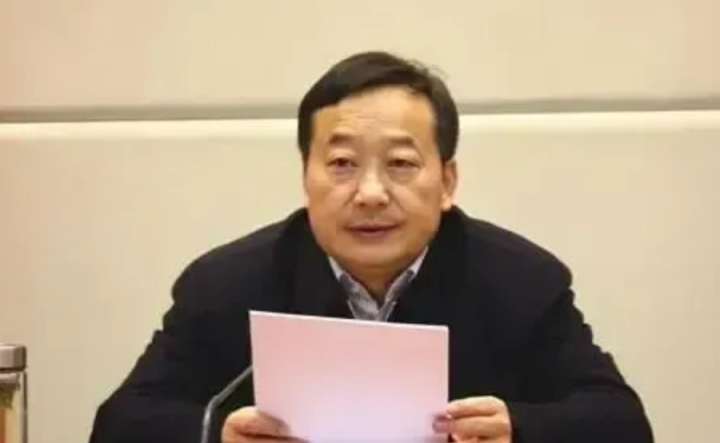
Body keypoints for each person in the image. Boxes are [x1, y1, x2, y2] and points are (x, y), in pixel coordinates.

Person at [88, 51, 654, 443]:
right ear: (305, 176)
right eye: (341, 164)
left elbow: (621, 423)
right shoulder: (227, 285)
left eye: (401, 164)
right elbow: (120, 423)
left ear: (447, 181)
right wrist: (217, 435)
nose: (371, 193)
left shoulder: (520, 283)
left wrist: (519, 429)